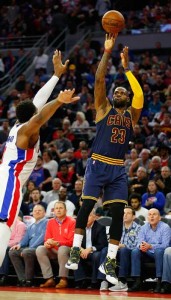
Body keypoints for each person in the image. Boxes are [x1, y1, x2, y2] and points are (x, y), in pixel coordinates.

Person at [65, 33, 144, 286]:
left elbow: (140, 94)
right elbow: (99, 79)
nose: (119, 92)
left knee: (119, 214)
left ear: (127, 97)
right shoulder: (103, 108)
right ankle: (76, 251)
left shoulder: (132, 116)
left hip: (118, 169)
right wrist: (107, 52)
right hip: (98, 163)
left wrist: (127, 70)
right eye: (117, 90)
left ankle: (109, 261)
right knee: (86, 207)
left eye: (123, 91)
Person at [0, 49, 80, 267]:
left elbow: (38, 100)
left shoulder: (18, 125)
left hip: (5, 176)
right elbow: (40, 116)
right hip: (9, 180)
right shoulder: (27, 130)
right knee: (3, 224)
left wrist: (56, 75)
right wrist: (59, 101)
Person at [36, 201, 76, 289]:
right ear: (53, 211)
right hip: (54, 248)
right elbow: (47, 238)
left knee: (62, 249)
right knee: (40, 249)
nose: (58, 210)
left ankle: (63, 279)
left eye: (61, 208)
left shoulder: (72, 221)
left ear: (65, 210)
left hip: (68, 249)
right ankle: (49, 279)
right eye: (56, 208)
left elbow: (71, 242)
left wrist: (57, 243)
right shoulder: (50, 222)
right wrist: (47, 243)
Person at [9, 205, 47, 287]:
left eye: (39, 210)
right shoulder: (30, 226)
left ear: (45, 213)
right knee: (12, 252)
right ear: (32, 213)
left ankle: (29, 279)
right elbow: (25, 240)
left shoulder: (47, 222)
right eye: (35, 210)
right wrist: (19, 245)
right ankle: (22, 279)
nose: (37, 212)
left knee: (27, 251)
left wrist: (30, 247)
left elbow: (42, 238)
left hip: (41, 248)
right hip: (30, 248)